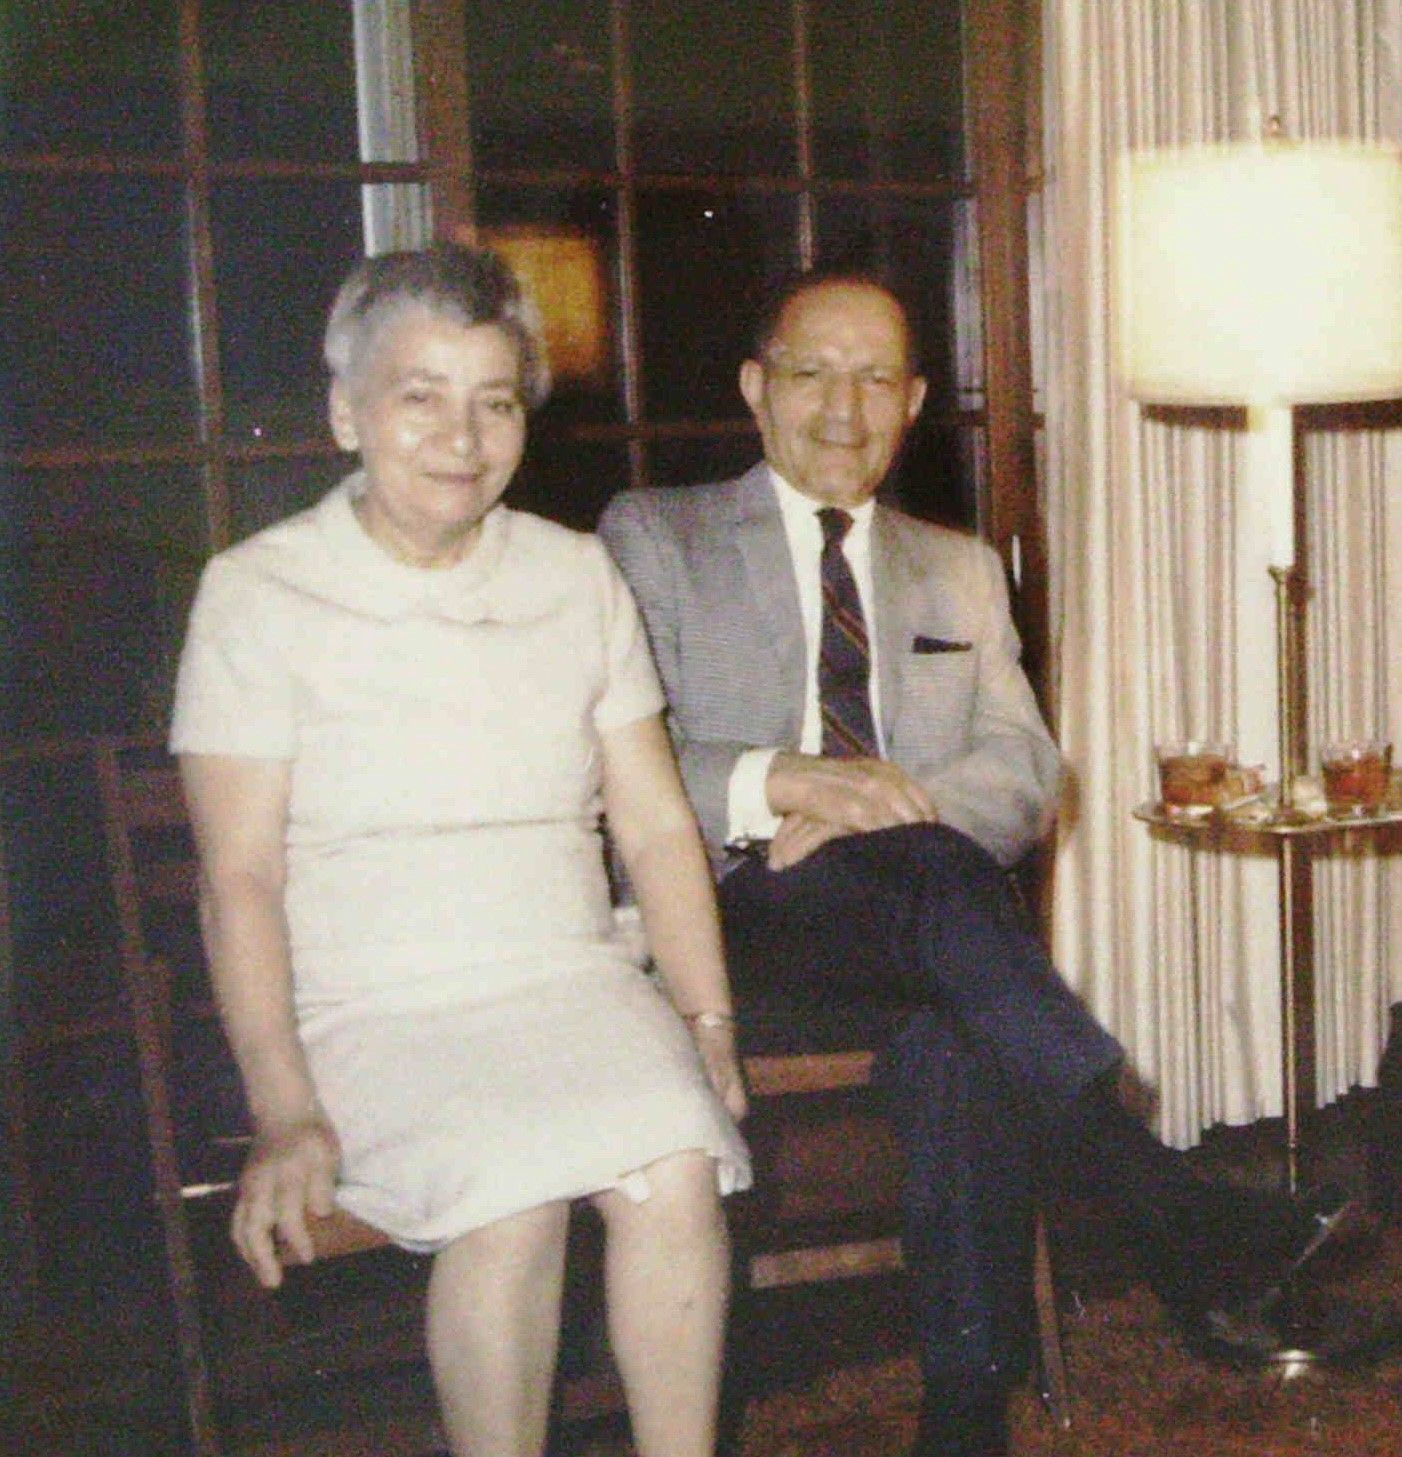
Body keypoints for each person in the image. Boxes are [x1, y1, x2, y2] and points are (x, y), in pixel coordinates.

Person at [599, 264, 1354, 1457]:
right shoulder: (656, 534)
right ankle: (1152, 1192)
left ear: (911, 402)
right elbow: (622, 760)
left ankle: (962, 1411)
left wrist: (879, 809)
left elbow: (1020, 768)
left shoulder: (955, 565)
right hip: (729, 911)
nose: (841, 409)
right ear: (756, 387)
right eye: (810, 374)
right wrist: (790, 778)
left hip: (916, 920)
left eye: (873, 380)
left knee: (957, 1014)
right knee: (952, 905)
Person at [169, 244, 751, 1457]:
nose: (460, 436)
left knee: (675, 1161)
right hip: (370, 1006)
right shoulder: (256, 593)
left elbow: (651, 825)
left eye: (494, 401)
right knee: (511, 1194)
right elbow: (240, 878)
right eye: (418, 395)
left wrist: (707, 1028)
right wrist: (285, 1110)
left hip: (568, 976)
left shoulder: (575, 574)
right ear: (346, 410)